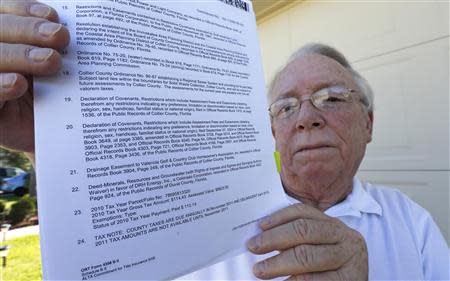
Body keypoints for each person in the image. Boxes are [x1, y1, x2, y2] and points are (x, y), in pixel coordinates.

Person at [0, 1, 448, 280]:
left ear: (368, 123)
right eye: (286, 106)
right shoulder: (202, 220)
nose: (307, 117)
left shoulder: (412, 223)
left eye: (331, 97)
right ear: (271, 130)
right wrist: (58, 143)